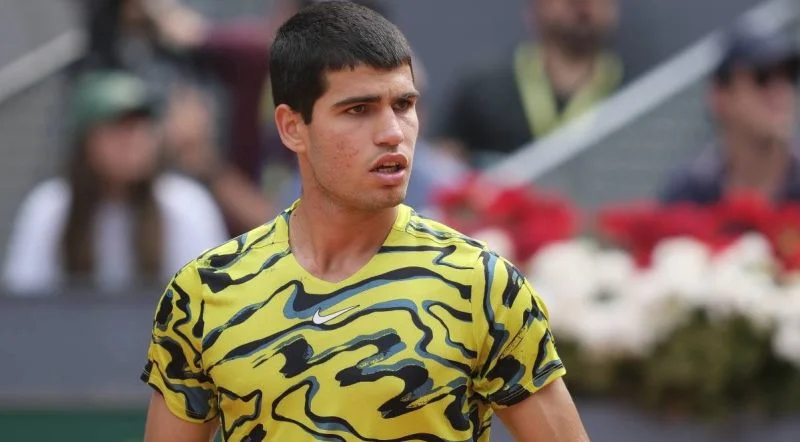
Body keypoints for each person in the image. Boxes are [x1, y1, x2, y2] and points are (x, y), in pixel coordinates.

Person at [140, 3, 588, 441]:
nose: (392, 132)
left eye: (404, 104)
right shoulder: (202, 292)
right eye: (358, 109)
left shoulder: (483, 285)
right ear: (292, 127)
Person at [1, 71, 227, 296]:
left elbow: (211, 298)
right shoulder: (50, 206)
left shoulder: (186, 205)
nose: (133, 141)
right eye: (118, 129)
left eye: (141, 128)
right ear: (86, 141)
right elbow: (25, 303)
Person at [435, 0, 623, 167]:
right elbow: (442, 173)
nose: (582, 5)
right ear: (534, 7)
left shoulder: (632, 90)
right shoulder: (480, 89)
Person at [659, 26, 800, 205]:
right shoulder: (688, 192)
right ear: (720, 96)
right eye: (762, 78)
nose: (780, 92)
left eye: (789, 77)